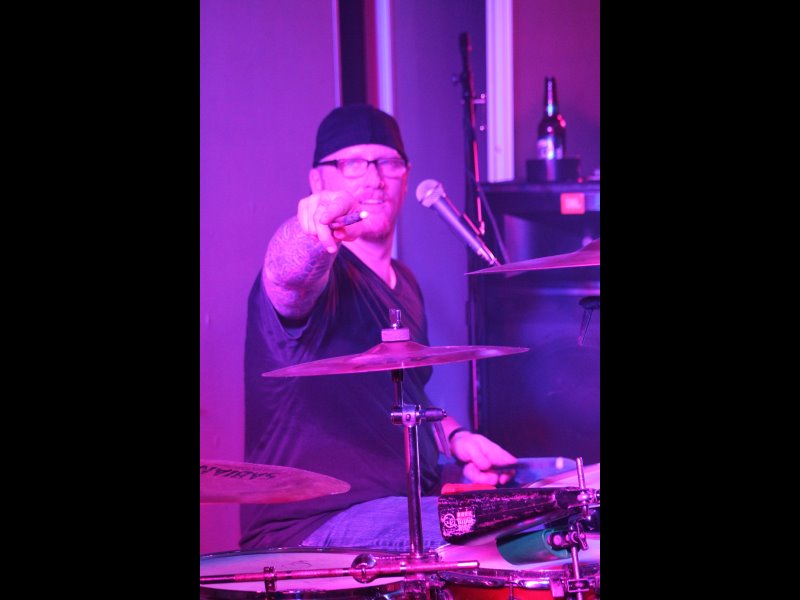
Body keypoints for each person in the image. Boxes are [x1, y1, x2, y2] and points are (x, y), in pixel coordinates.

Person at [240, 104, 517, 553]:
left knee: (537, 510)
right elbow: (285, 276)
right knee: (495, 535)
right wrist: (311, 232)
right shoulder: (322, 276)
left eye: (387, 163)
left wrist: (458, 439)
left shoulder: (405, 283)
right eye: (352, 164)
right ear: (317, 181)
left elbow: (408, 402)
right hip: (310, 526)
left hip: (401, 505)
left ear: (406, 177)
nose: (373, 179)